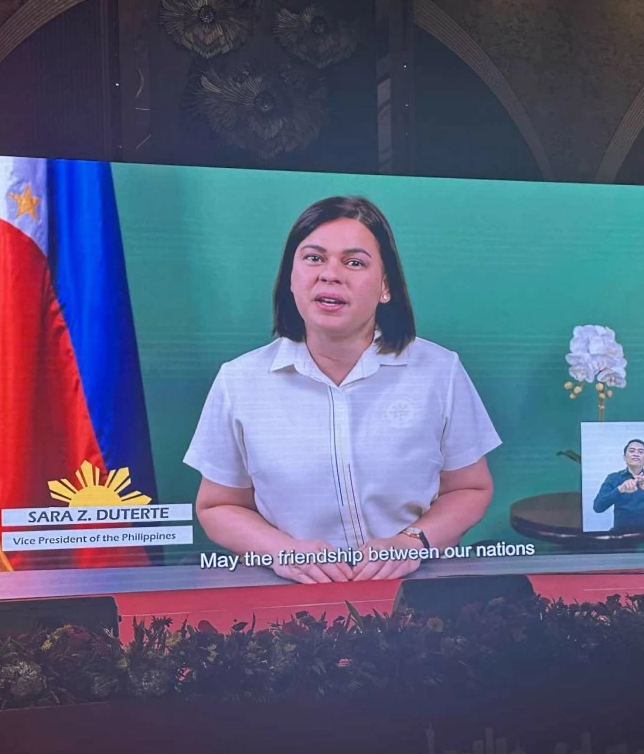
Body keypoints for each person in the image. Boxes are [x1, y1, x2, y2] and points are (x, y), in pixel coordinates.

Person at [184, 196, 502, 584]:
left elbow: (470, 488)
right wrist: (282, 550)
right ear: (291, 278)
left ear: (385, 286)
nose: (330, 275)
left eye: (354, 262)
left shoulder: (439, 371)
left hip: (413, 592)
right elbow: (217, 506)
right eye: (314, 258)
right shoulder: (239, 380)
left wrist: (411, 542)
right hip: (293, 593)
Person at [592, 439, 644, 531]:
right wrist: (620, 489)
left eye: (640, 452)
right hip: (620, 534)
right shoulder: (613, 478)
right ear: (624, 457)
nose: (636, 454)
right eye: (632, 451)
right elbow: (598, 507)